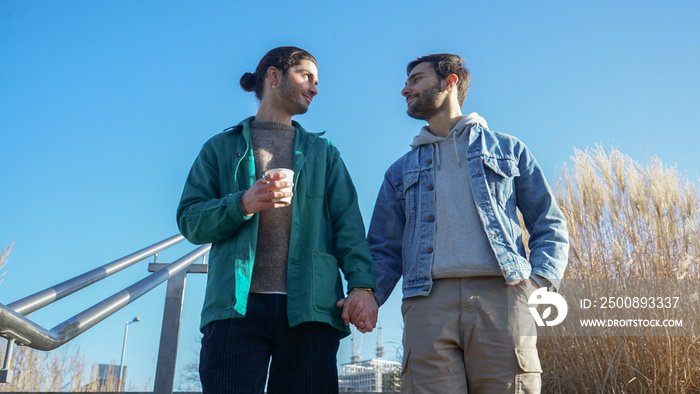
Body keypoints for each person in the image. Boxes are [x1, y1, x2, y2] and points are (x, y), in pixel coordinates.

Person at [176, 46, 377, 393]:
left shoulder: (324, 153)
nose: (315, 88)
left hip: (311, 308)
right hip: (234, 309)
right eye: (306, 76)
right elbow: (190, 219)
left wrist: (362, 286)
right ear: (273, 75)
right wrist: (242, 203)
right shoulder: (220, 148)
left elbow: (349, 228)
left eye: (317, 81)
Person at [368, 53, 569, 393]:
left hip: (503, 298)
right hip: (427, 302)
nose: (405, 89)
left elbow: (549, 225)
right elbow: (383, 249)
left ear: (450, 82)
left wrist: (538, 284)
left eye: (416, 79)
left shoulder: (509, 150)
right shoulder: (399, 170)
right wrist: (369, 296)